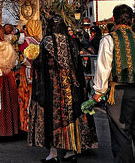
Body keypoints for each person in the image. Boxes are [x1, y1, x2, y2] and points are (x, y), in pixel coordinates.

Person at [28, 15, 97, 162]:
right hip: (71, 88)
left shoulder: (46, 42)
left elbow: (39, 65)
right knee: (70, 118)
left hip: (51, 88)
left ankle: (53, 153)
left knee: (52, 119)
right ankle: (70, 151)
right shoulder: (72, 42)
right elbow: (78, 65)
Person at [92, 4, 135, 162]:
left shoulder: (108, 40)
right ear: (131, 20)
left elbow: (103, 68)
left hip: (117, 92)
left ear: (113, 19)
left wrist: (98, 92)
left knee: (121, 133)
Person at [17, 20, 41, 132]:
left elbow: (22, 58)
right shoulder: (40, 41)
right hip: (38, 73)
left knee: (25, 98)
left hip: (26, 72)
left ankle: (25, 124)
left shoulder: (25, 42)